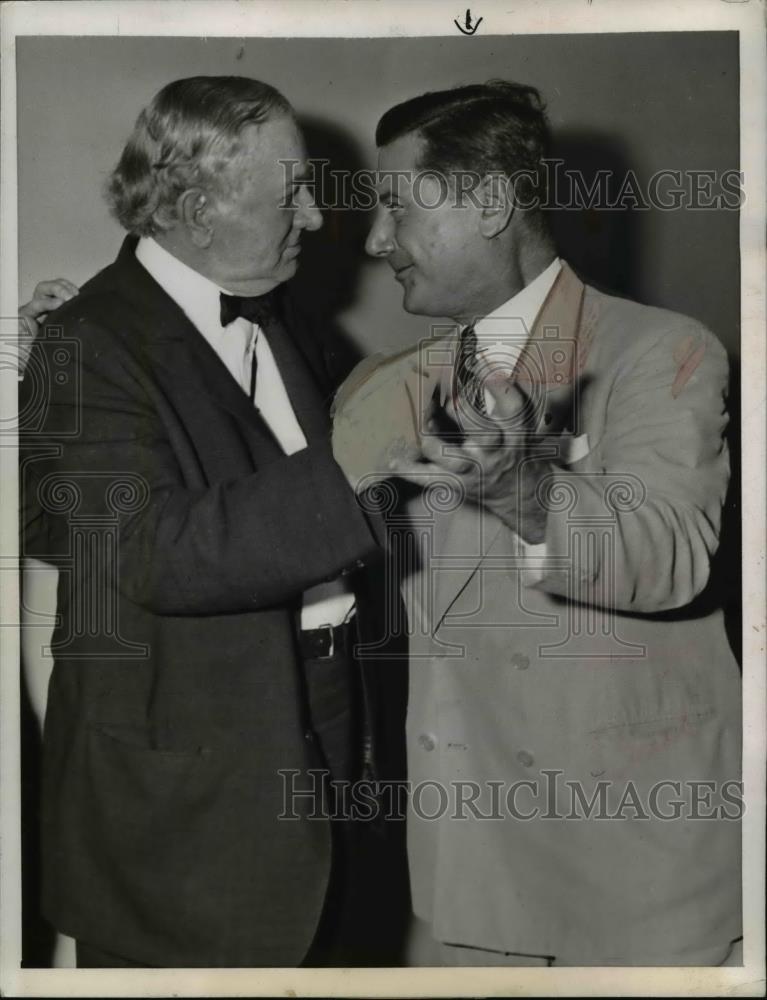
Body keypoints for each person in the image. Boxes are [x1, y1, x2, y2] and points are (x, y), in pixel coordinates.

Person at [332, 80, 742, 966]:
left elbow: (671, 553)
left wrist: (523, 489)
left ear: (488, 203)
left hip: (625, 880)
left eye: (395, 207)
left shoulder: (659, 351)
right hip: (449, 880)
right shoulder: (372, 390)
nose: (373, 241)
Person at [18, 75, 387, 968]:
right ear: (195, 207)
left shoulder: (283, 315)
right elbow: (148, 551)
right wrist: (369, 472)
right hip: (185, 807)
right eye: (292, 191)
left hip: (323, 738)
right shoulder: (85, 344)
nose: (313, 217)